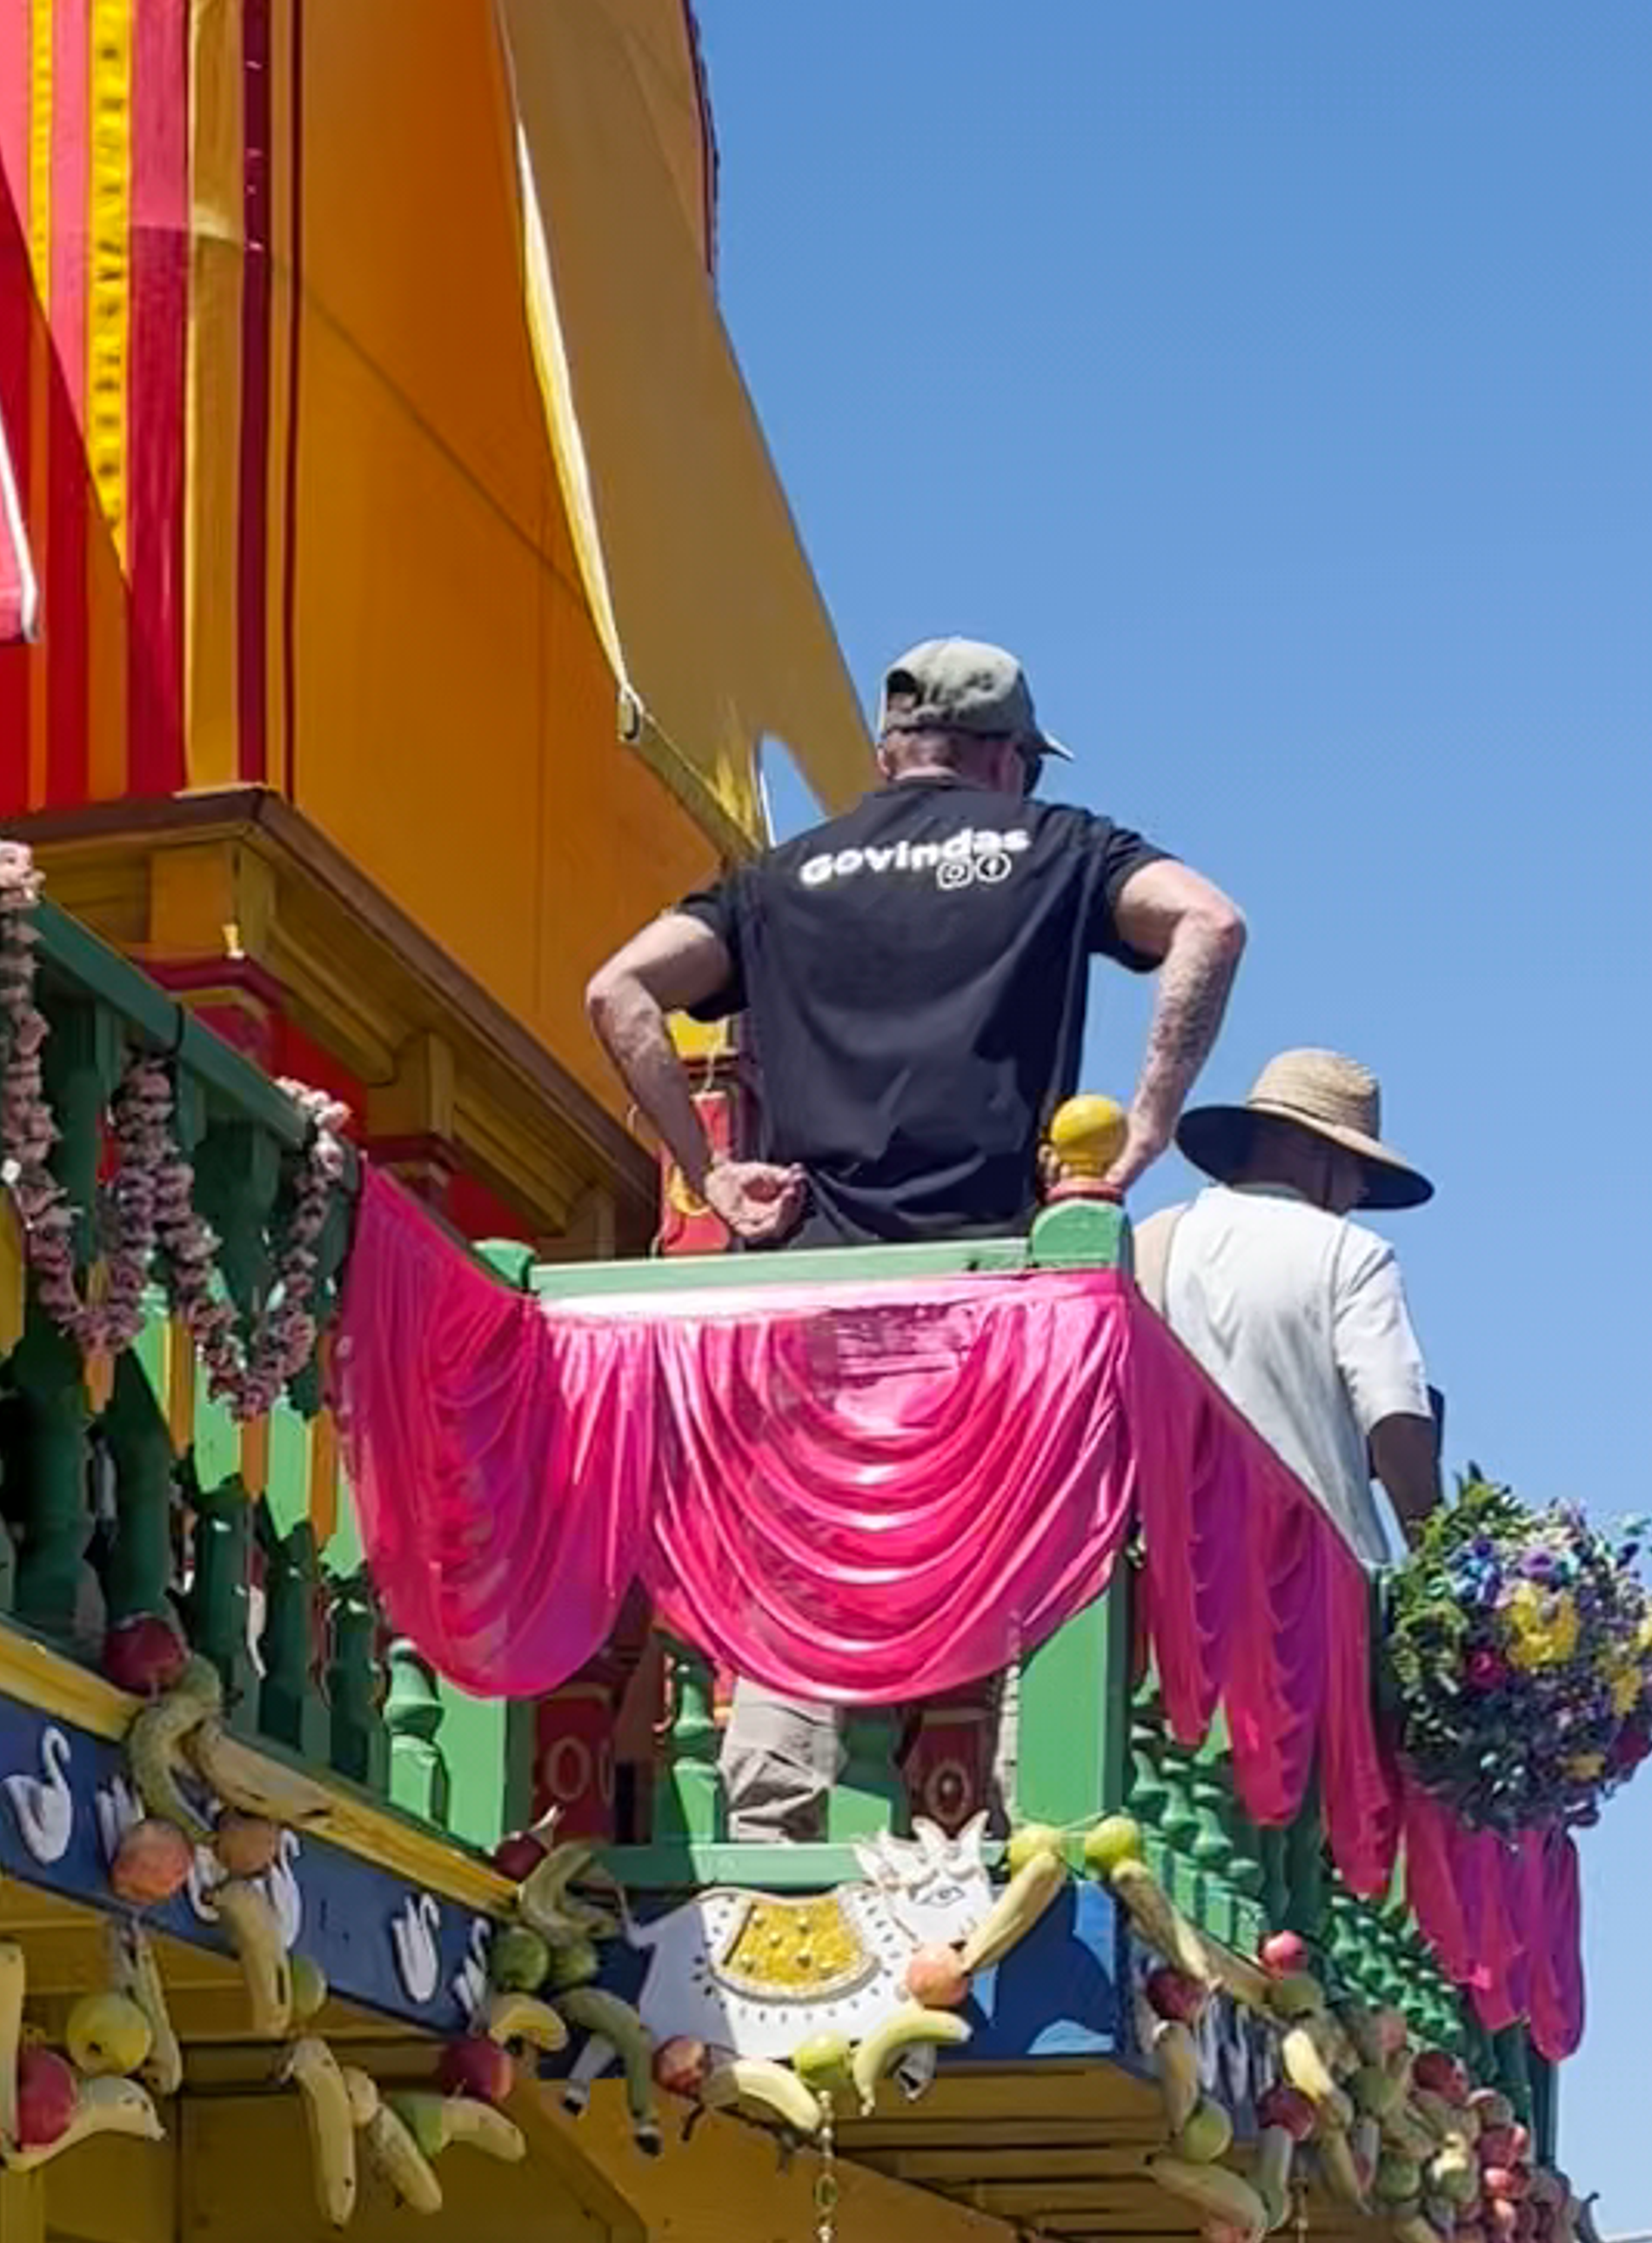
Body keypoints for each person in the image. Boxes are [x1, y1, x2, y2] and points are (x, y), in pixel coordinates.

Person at [580, 638, 1246, 1835]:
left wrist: (709, 1171)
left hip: (813, 1284)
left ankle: (769, 1833)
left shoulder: (779, 877)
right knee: (1020, 1534)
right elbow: (1209, 920)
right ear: (1003, 757)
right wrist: (1150, 1119)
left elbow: (617, 988)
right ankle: (1017, 1825)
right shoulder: (1058, 846)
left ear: (892, 752)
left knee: (808, 1543)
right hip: (987, 1282)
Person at [1131, 1046, 1445, 1570]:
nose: (1359, 1188)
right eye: (1356, 1167)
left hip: (1174, 1583)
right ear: (1307, 1149)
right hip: (1316, 1582)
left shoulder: (1149, 1243)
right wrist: (1440, 1557)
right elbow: (1397, 1420)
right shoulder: (1350, 1252)